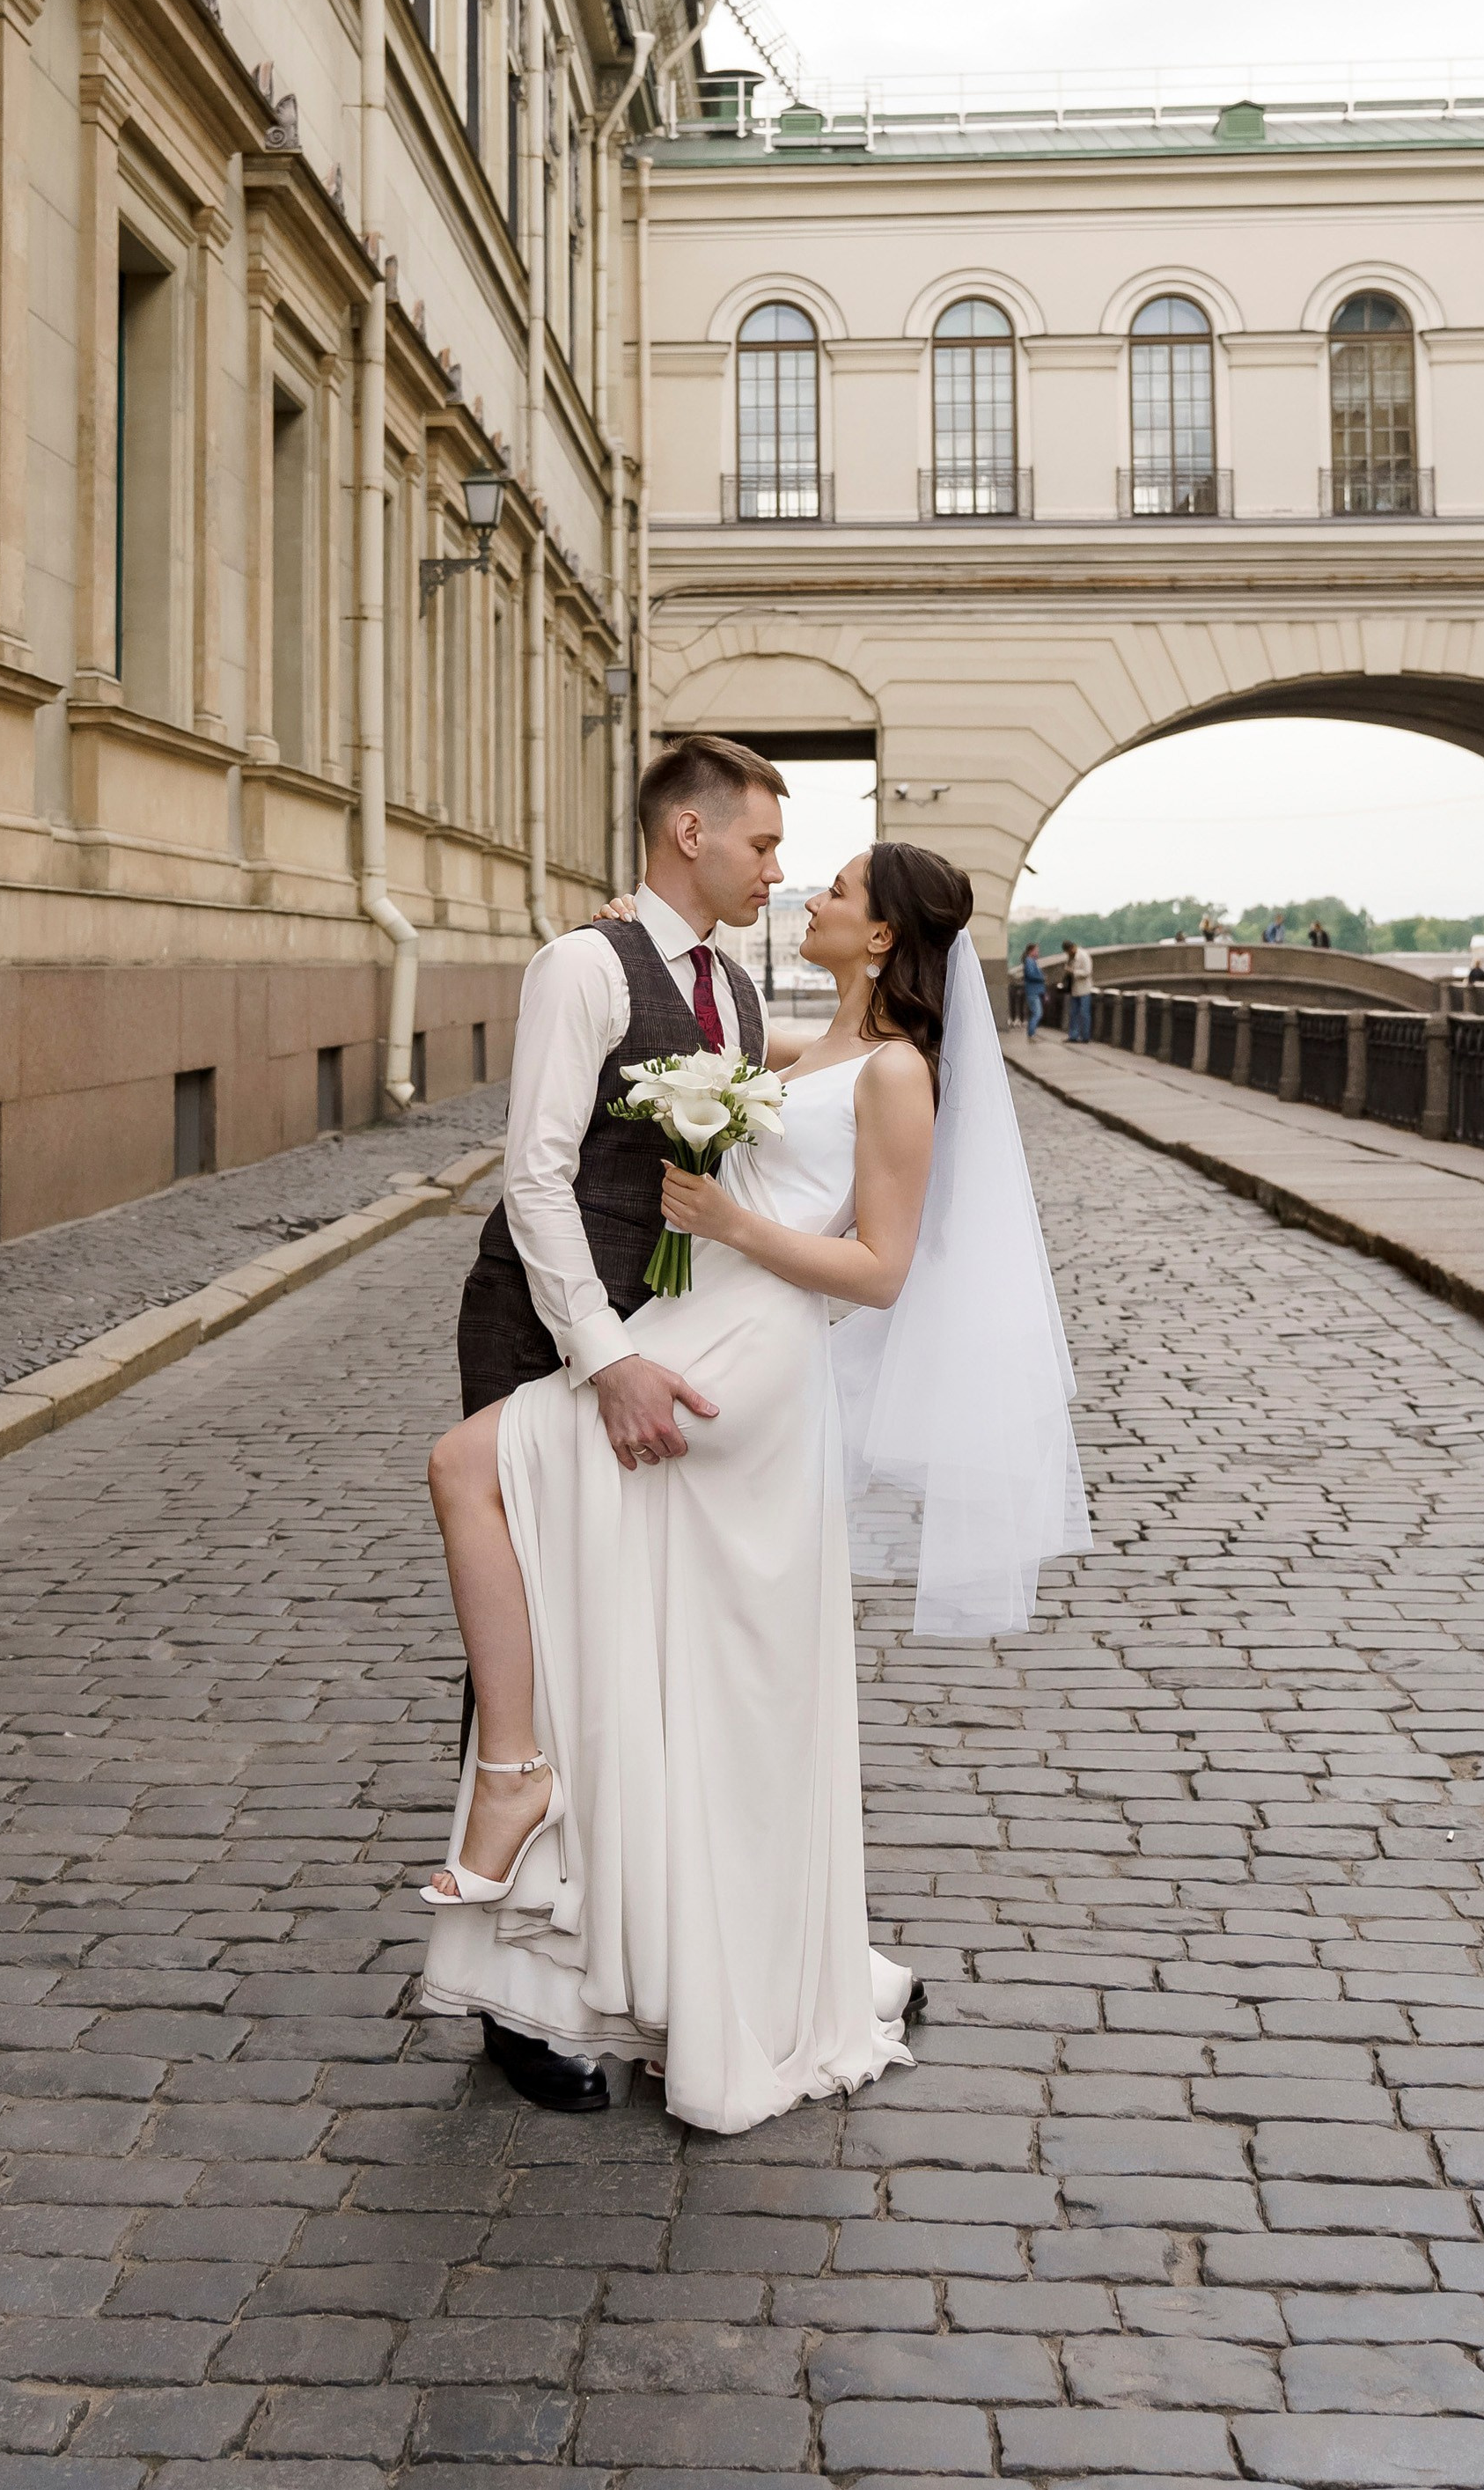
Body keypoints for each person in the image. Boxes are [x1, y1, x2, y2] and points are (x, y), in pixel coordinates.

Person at [421, 824, 1090, 2135]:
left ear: (881, 935)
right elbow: (682, 1036)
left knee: (476, 1472)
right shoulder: (811, 1046)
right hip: (694, 1319)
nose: (808, 892)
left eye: (835, 887)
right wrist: (628, 936)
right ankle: (642, 1938)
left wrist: (733, 1220)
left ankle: (524, 1788)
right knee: (656, 1642)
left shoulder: (897, 1073)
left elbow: (881, 1269)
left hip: (751, 1352)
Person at [1064, 937, 1094, 1044]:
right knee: (1073, 1013)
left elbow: (1087, 972)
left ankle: (1085, 1036)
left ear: (1072, 948)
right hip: (1075, 989)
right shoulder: (1070, 958)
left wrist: (1073, 972)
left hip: (1084, 989)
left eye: (1068, 951)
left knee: (1084, 1013)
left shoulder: (1083, 956)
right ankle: (1073, 1036)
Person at [1020, 940, 1047, 1037]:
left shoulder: (1032, 961)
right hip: (1033, 991)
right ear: (1031, 951)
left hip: (1035, 991)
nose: (1038, 953)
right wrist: (1041, 978)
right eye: (1036, 951)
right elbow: (1030, 974)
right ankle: (1031, 1033)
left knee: (1036, 1012)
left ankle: (1032, 1032)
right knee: (1037, 1013)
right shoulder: (1029, 961)